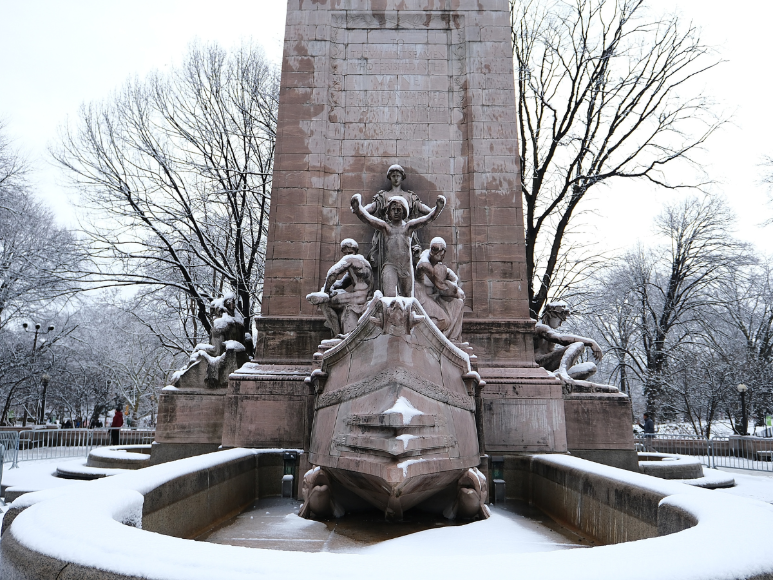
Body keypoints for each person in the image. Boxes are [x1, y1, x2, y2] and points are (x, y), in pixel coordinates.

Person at [351, 193, 445, 297]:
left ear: (404, 212)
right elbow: (368, 219)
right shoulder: (386, 228)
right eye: (393, 209)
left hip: (406, 267)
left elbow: (427, 219)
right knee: (389, 297)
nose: (396, 212)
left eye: (399, 209)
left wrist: (438, 208)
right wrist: (358, 208)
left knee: (408, 297)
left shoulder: (408, 227)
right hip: (390, 265)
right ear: (389, 212)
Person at [361, 165, 433, 289]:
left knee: (407, 261)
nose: (395, 178)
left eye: (398, 176)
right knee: (387, 265)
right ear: (389, 177)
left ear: (402, 177)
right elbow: (371, 209)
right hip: (386, 233)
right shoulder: (383, 196)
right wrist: (359, 209)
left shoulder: (409, 196)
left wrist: (434, 211)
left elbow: (422, 208)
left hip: (406, 232)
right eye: (393, 176)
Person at [306, 239, 374, 336]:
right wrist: (330, 288)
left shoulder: (352, 260)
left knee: (326, 302)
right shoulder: (359, 265)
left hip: (360, 297)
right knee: (337, 292)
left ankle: (336, 334)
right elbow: (341, 283)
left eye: (350, 252)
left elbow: (333, 273)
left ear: (356, 251)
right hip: (360, 295)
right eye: (345, 253)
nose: (348, 255)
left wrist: (326, 291)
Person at [415, 237, 465, 341]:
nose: (441, 256)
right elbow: (439, 284)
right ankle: (418, 336)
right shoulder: (423, 263)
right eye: (437, 252)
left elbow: (454, 279)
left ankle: (453, 339)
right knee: (443, 320)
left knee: (458, 303)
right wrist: (448, 286)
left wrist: (453, 287)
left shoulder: (440, 266)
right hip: (421, 297)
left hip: (434, 297)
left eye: (443, 253)